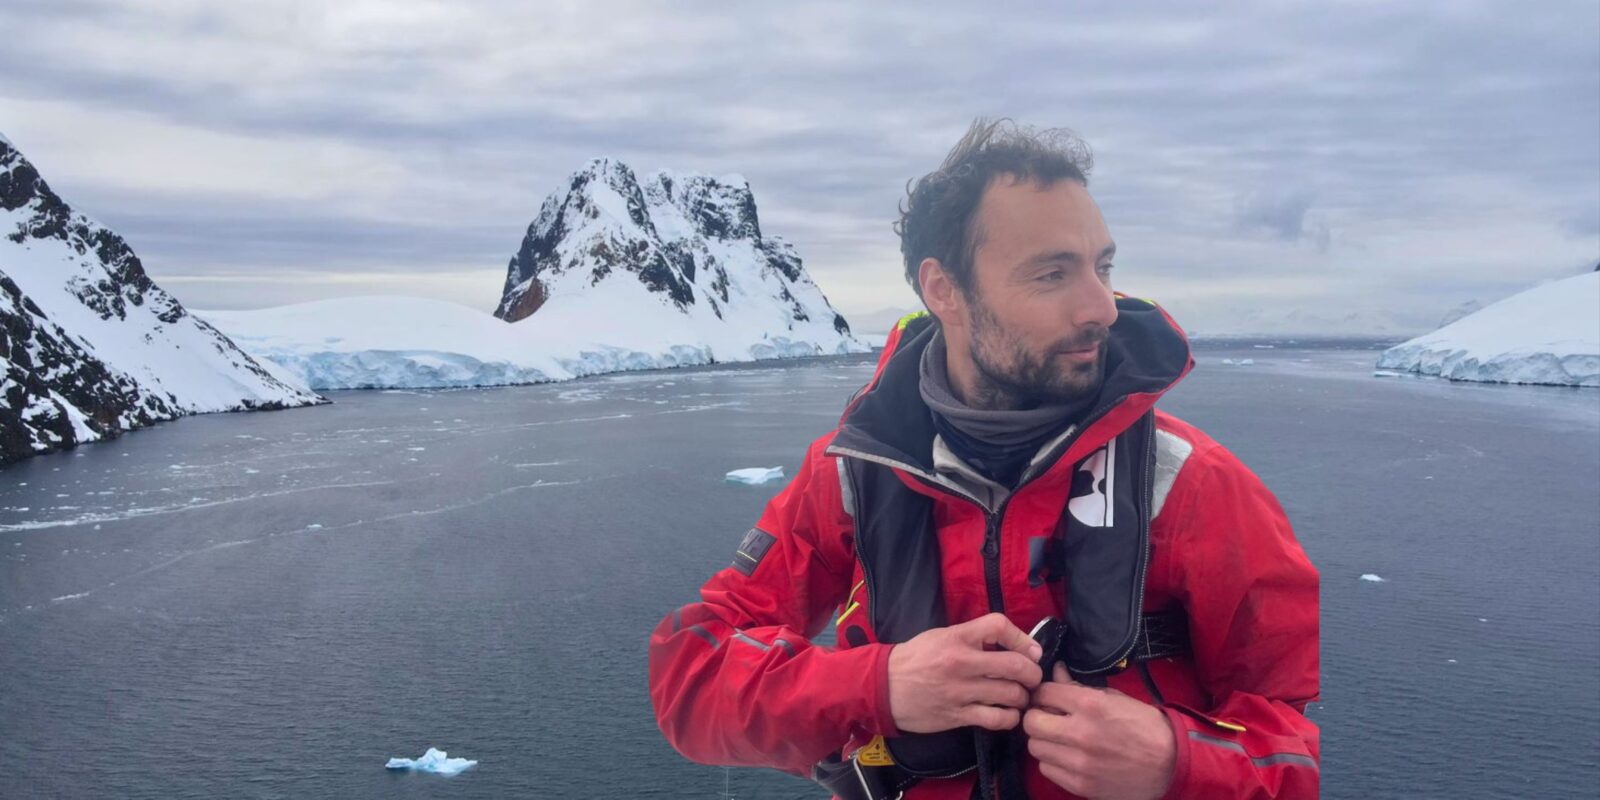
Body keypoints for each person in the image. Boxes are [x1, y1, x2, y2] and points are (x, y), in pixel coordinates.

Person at [648, 119, 1320, 799]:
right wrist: (879, 687)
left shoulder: (1190, 484)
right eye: (1053, 273)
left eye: (1103, 267)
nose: (1102, 307)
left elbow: (1291, 753)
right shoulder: (853, 475)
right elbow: (688, 679)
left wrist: (1176, 764)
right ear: (944, 290)